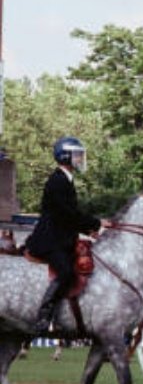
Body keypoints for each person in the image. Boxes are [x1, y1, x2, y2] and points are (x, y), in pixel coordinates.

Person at [25, 137, 113, 334]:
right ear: (66, 156)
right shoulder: (57, 181)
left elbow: (68, 217)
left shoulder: (66, 179)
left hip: (62, 237)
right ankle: (44, 315)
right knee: (66, 272)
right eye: (78, 155)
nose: (81, 159)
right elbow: (67, 214)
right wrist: (97, 223)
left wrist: (89, 230)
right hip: (51, 241)